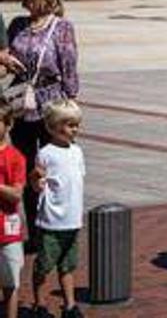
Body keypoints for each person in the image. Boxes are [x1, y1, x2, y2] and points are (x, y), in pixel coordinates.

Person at [6, 0, 79, 255]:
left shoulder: (62, 28)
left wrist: (71, 102)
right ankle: (36, 235)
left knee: (52, 168)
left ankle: (55, 228)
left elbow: (69, 65)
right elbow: (6, 57)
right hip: (22, 106)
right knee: (24, 170)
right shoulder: (17, 25)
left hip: (51, 107)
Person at [30, 100, 85, 318]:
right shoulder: (46, 153)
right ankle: (40, 304)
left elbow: (77, 182)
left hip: (72, 220)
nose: (75, 129)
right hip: (52, 220)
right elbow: (36, 184)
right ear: (53, 127)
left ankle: (69, 305)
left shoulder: (77, 151)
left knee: (68, 265)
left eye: (77, 125)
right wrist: (36, 180)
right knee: (44, 265)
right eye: (70, 125)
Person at [0, 104, 25, 318]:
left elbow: (16, 194)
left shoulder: (15, 157)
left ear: (8, 124)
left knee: (11, 284)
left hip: (8, 232)